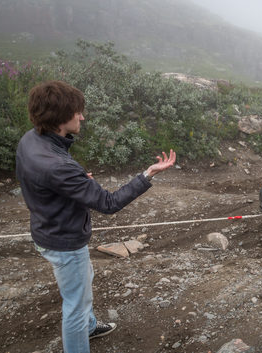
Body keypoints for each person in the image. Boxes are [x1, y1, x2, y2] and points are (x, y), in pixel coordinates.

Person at [16, 80, 176, 353]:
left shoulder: (31, 140)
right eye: (77, 111)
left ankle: (89, 327)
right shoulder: (59, 166)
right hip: (65, 242)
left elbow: (43, 180)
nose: (82, 116)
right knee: (75, 307)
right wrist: (148, 174)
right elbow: (109, 203)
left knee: (83, 280)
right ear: (60, 118)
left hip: (46, 228)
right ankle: (82, 333)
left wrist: (72, 184)